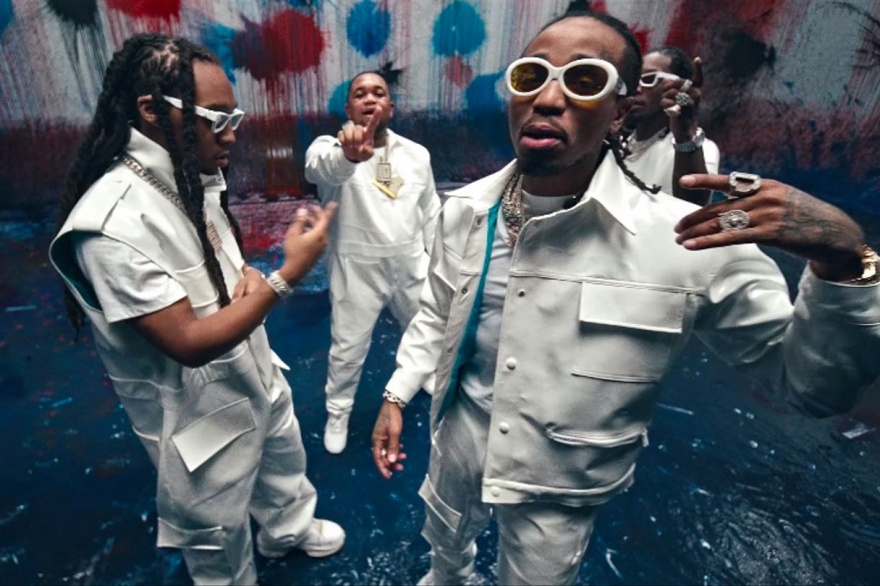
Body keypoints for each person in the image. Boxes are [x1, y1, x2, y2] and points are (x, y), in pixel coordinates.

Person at [370, 10, 879, 586]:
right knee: (444, 542)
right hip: (458, 441)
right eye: (531, 76)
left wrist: (845, 264)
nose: (548, 98)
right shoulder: (465, 212)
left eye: (584, 80)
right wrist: (397, 393)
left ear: (619, 110)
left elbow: (809, 388)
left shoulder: (687, 242)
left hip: (557, 484)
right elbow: (437, 314)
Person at [49, 33, 344, 585]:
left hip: (252, 367)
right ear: (151, 111)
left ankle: (287, 530)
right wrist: (286, 276)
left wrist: (248, 277)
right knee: (215, 522)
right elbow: (186, 341)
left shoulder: (190, 176)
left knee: (283, 459)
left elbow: (215, 269)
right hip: (196, 411)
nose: (232, 132)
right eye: (217, 118)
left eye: (235, 116)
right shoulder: (111, 224)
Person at [304, 71, 441, 454]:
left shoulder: (416, 155)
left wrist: (438, 263)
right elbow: (320, 169)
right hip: (356, 270)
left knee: (422, 327)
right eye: (360, 94)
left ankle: (421, 373)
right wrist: (349, 155)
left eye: (378, 93)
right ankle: (338, 412)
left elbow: (430, 212)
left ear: (390, 108)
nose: (370, 99)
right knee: (347, 349)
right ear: (349, 108)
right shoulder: (328, 149)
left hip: (410, 263)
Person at [624, 46, 720, 205]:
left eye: (649, 79)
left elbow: (692, 205)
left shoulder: (702, 149)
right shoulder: (618, 143)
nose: (637, 89)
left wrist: (685, 135)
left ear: (678, 87)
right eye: (635, 79)